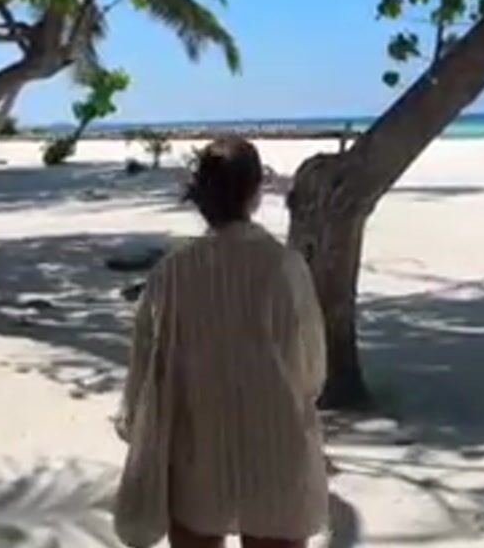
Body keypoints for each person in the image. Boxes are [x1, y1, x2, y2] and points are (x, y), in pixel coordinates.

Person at [114, 136, 328, 548]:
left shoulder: (172, 273)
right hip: (275, 449)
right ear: (255, 192)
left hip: (195, 452)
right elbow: (312, 370)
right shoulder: (284, 266)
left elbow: (145, 370)